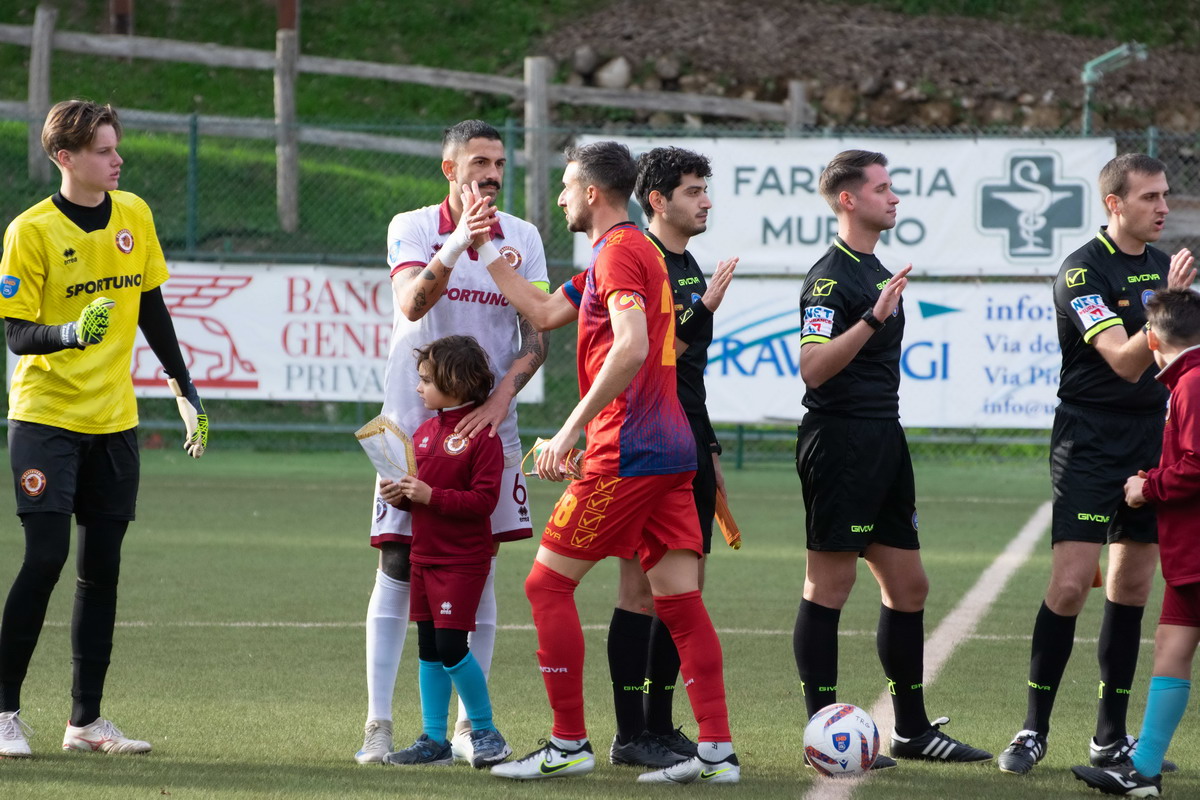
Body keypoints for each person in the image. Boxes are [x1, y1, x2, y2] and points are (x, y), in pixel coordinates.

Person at [479, 140, 740, 784]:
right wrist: (480, 247)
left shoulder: (621, 252)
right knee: (679, 600)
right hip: (672, 450)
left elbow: (630, 348)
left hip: (628, 451)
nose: (562, 198)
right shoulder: (624, 252)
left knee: (546, 585)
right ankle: (716, 751)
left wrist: (568, 432)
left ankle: (568, 743)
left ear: (592, 193)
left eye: (567, 188)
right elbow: (540, 312)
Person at [0, 100, 208, 758]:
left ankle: (85, 722)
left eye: (117, 147)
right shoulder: (29, 232)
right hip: (45, 421)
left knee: (103, 569)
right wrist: (67, 332)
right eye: (102, 150)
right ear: (65, 159)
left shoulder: (134, 214)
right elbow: (15, 332)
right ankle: (4, 712)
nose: (117, 159)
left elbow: (151, 306)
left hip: (114, 422)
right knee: (45, 557)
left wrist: (184, 389)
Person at [356, 120, 549, 765]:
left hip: (489, 430)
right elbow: (410, 305)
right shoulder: (412, 227)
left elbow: (537, 335)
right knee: (397, 565)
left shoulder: (522, 237)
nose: (491, 173)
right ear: (449, 168)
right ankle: (379, 725)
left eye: (499, 163)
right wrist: (456, 245)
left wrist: (500, 398)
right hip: (408, 430)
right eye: (478, 162)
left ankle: (470, 729)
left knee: (477, 565)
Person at [998, 154, 1196, 776]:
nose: (1163, 207)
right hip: (1088, 438)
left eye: (1165, 195)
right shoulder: (1082, 271)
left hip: (1150, 436)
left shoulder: (1167, 268)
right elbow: (1123, 360)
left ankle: (1109, 736)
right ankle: (1034, 729)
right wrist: (1169, 303)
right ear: (1115, 204)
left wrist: (1171, 297)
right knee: (1068, 584)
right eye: (1149, 198)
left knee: (1132, 587)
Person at [794, 149, 991, 769]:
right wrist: (872, 321)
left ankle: (910, 729)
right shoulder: (830, 278)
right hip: (841, 441)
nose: (894, 198)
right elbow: (814, 369)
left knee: (909, 586)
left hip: (883, 438)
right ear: (848, 199)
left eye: (892, 187)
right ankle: (822, 733)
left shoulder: (877, 269)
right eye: (881, 189)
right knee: (832, 584)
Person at [603, 146, 737, 769]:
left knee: (683, 592)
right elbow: (657, 354)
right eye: (692, 190)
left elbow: (689, 372)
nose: (705, 200)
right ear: (656, 200)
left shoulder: (685, 261)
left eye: (704, 189)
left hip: (686, 443)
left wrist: (707, 446)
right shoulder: (640, 258)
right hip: (645, 445)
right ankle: (632, 732)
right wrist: (704, 309)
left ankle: (658, 724)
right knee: (639, 592)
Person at [1070, 287, 1200, 797]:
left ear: (1149, 339)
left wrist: (1149, 487)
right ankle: (1142, 770)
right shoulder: (1186, 382)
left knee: (1172, 648)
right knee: (1170, 646)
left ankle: (1141, 768)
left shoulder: (1191, 386)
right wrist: (1154, 477)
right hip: (1189, 552)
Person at [375, 335, 512, 769]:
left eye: (426, 380)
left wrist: (431, 495)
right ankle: (433, 740)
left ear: (455, 382)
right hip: (424, 558)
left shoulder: (482, 436)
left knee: (453, 646)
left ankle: (485, 730)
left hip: (462, 561)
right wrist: (399, 494)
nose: (418, 388)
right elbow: (419, 496)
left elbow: (484, 502)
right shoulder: (424, 432)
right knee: (429, 648)